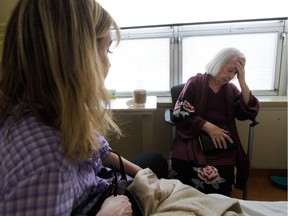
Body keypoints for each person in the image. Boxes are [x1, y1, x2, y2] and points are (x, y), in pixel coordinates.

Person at [0, 0, 167, 215]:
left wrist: (144, 175)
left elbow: (99, 149)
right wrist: (109, 212)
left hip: (100, 185)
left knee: (155, 161)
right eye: (106, 50)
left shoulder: (49, 110)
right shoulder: (48, 158)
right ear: (78, 58)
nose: (108, 64)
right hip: (98, 204)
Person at [169, 47, 260, 196]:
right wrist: (207, 126)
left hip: (221, 139)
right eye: (230, 70)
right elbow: (180, 113)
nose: (231, 76)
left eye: (235, 73)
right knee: (181, 163)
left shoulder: (230, 89)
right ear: (218, 63)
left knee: (225, 170)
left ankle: (216, 206)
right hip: (193, 136)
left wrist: (242, 81)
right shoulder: (195, 82)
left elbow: (245, 112)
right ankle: (184, 201)